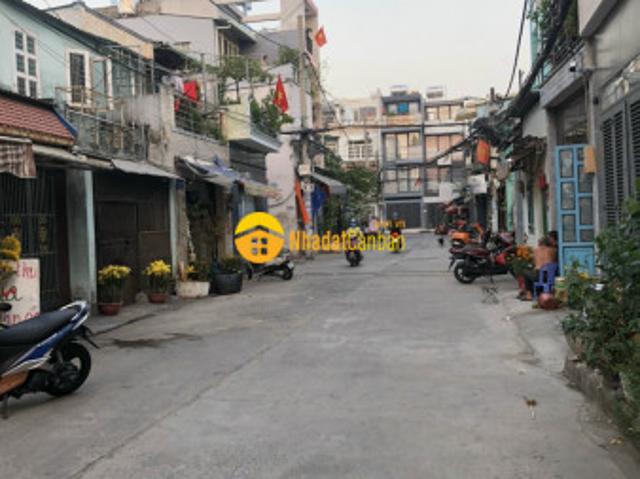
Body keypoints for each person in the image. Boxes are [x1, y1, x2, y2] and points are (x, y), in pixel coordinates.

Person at [522, 231, 558, 301]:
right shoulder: (554, 250)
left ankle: (529, 295)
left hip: (540, 276)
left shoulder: (536, 250)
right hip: (552, 275)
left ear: (539, 243)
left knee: (526, 273)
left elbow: (534, 263)